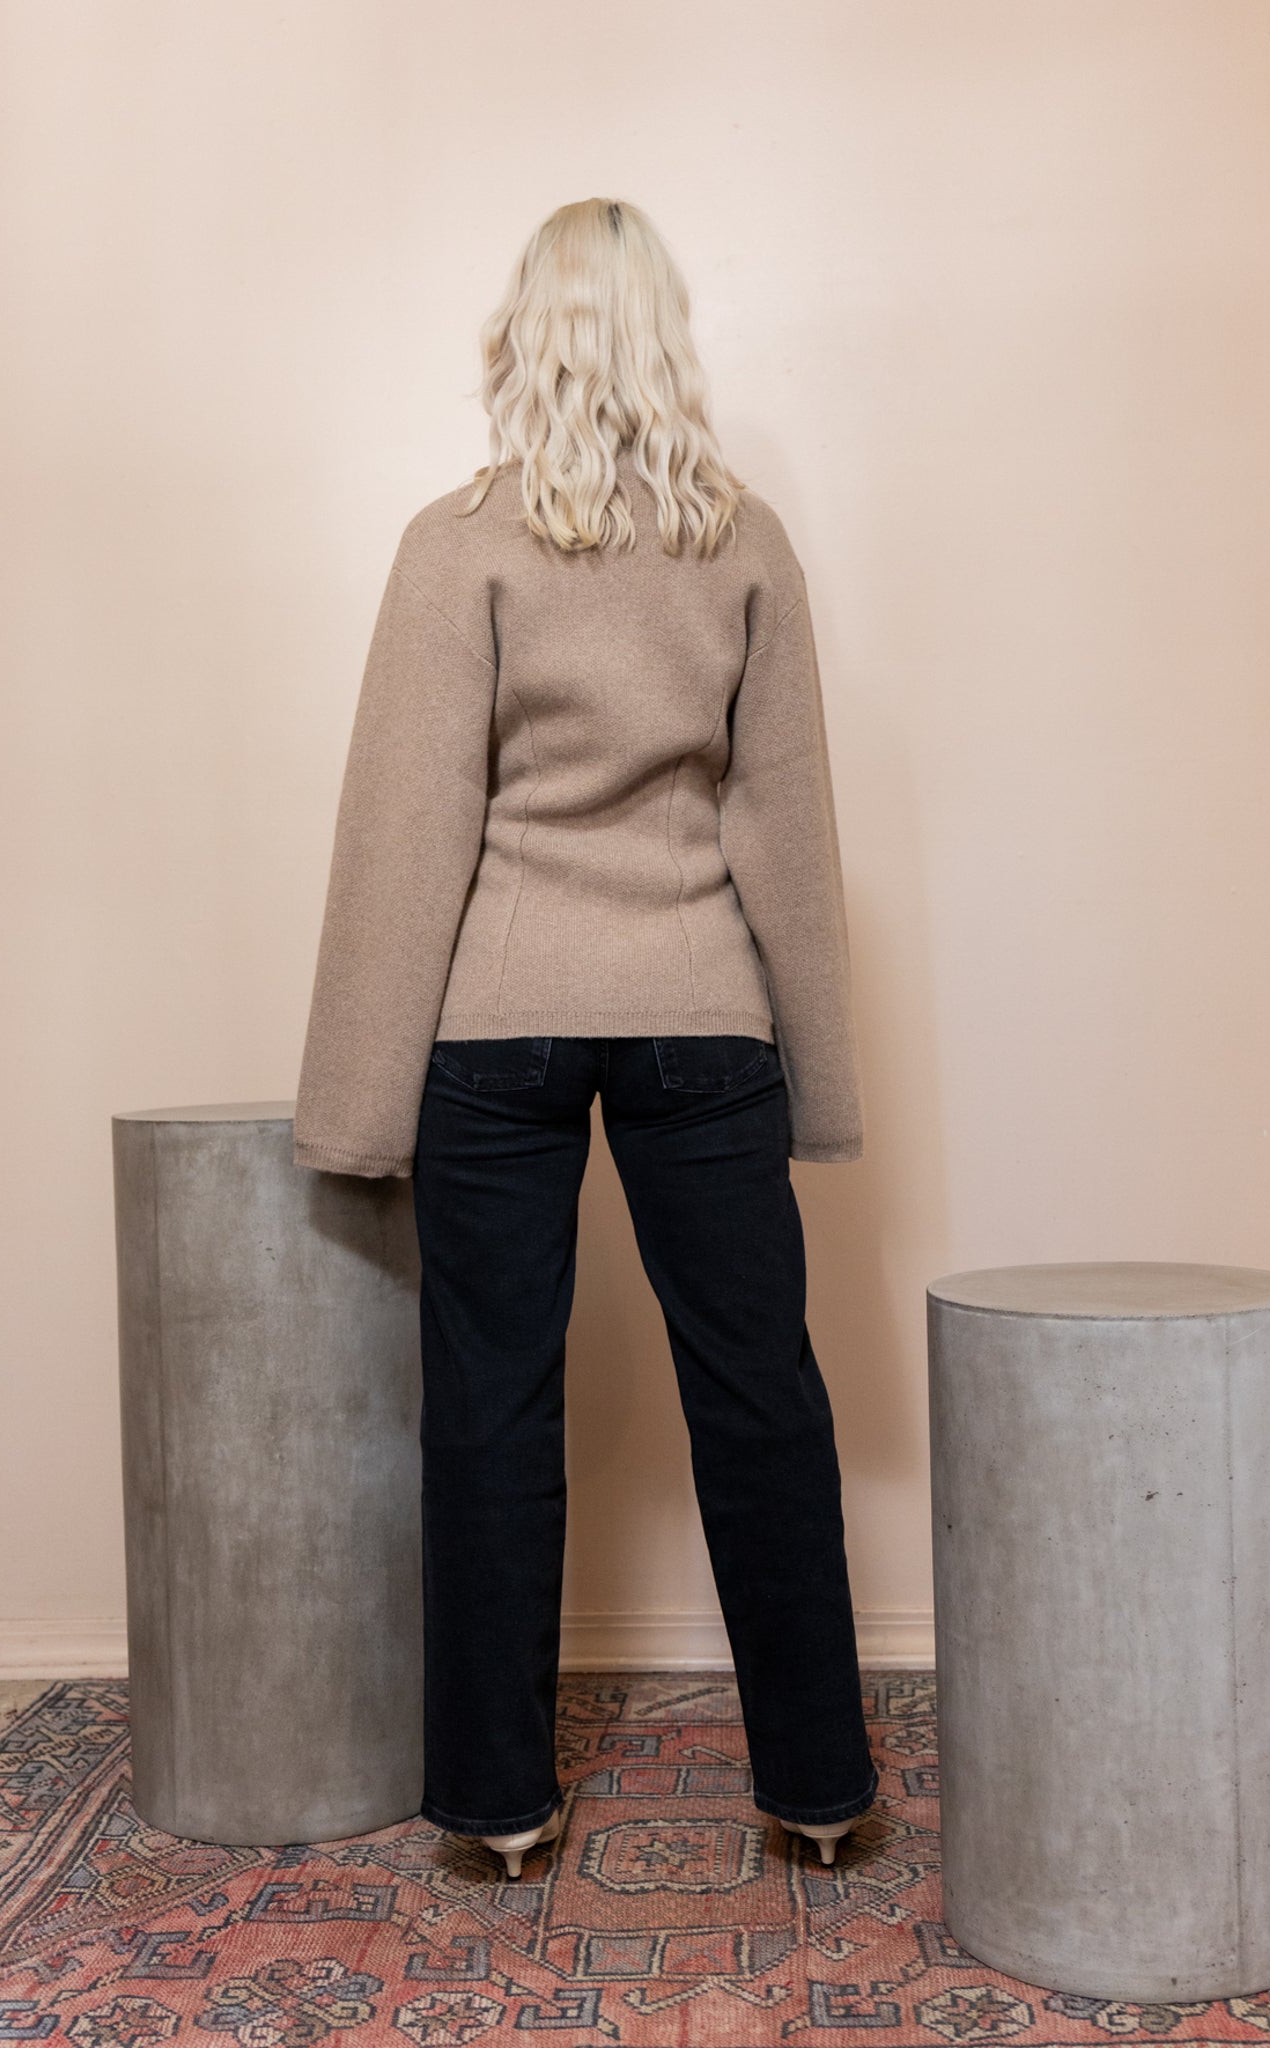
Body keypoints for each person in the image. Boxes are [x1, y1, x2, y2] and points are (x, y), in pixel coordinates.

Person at [293, 197, 876, 1878]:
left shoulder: (457, 543)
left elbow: (408, 831)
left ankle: (495, 1802)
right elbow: (783, 827)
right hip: (702, 1014)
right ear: (665, 338)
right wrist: (820, 1084)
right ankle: (819, 1787)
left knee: (489, 1404)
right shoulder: (744, 544)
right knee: (760, 1394)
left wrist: (356, 1109)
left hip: (499, 1028)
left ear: (523, 336)